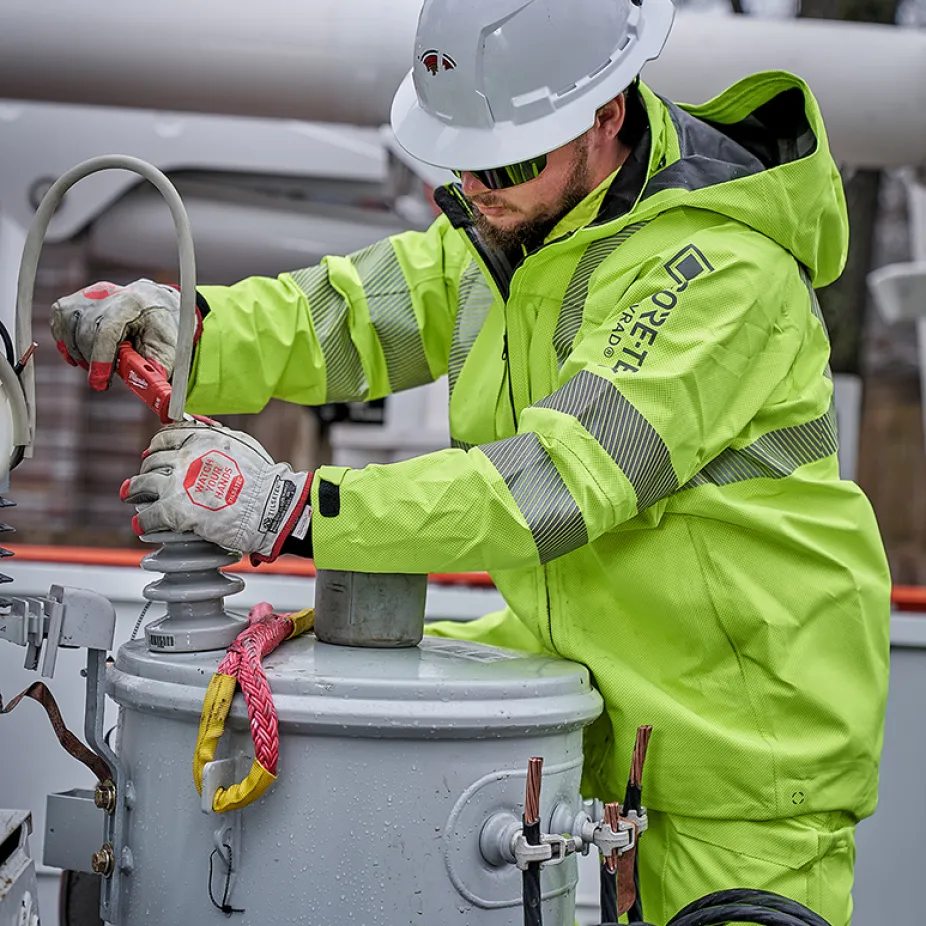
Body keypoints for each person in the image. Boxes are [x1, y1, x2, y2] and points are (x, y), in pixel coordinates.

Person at [50, 1, 890, 922]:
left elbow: (556, 481)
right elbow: (345, 316)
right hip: (587, 733)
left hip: (739, 770)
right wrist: (189, 331)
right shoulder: (512, 239)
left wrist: (294, 512)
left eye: (511, 158)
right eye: (462, 156)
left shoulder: (721, 275)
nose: (480, 185)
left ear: (606, 114)